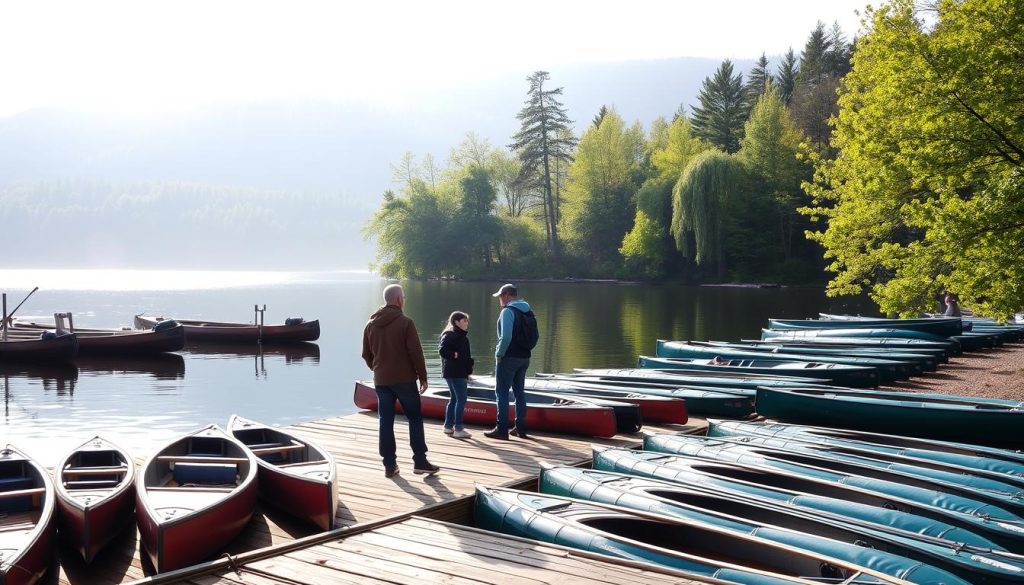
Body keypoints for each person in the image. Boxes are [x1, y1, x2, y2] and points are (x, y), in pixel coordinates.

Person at [361, 284, 439, 478]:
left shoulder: (370, 324)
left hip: (381, 381)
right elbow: (415, 352)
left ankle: (389, 465)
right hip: (404, 380)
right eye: (403, 297)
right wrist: (423, 376)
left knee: (385, 422)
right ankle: (420, 461)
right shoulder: (405, 322)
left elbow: (366, 354)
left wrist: (377, 369)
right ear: (398, 300)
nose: (404, 300)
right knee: (414, 418)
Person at [485, 284, 537, 440]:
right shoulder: (528, 311)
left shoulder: (508, 311)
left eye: (500, 296)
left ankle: (501, 430)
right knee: (519, 393)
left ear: (507, 295)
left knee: (501, 393)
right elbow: (536, 336)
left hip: (508, 358)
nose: (500, 300)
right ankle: (520, 428)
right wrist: (525, 350)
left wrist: (499, 354)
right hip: (524, 358)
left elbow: (505, 337)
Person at [438, 311, 473, 439]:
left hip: (452, 372)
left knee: (454, 399)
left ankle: (448, 426)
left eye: (467, 321)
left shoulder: (453, 335)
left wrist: (468, 370)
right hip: (457, 372)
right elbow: (442, 350)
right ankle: (458, 428)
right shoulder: (453, 336)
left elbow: (466, 357)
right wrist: (454, 355)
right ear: (456, 322)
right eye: (464, 321)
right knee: (461, 399)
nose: (466, 323)